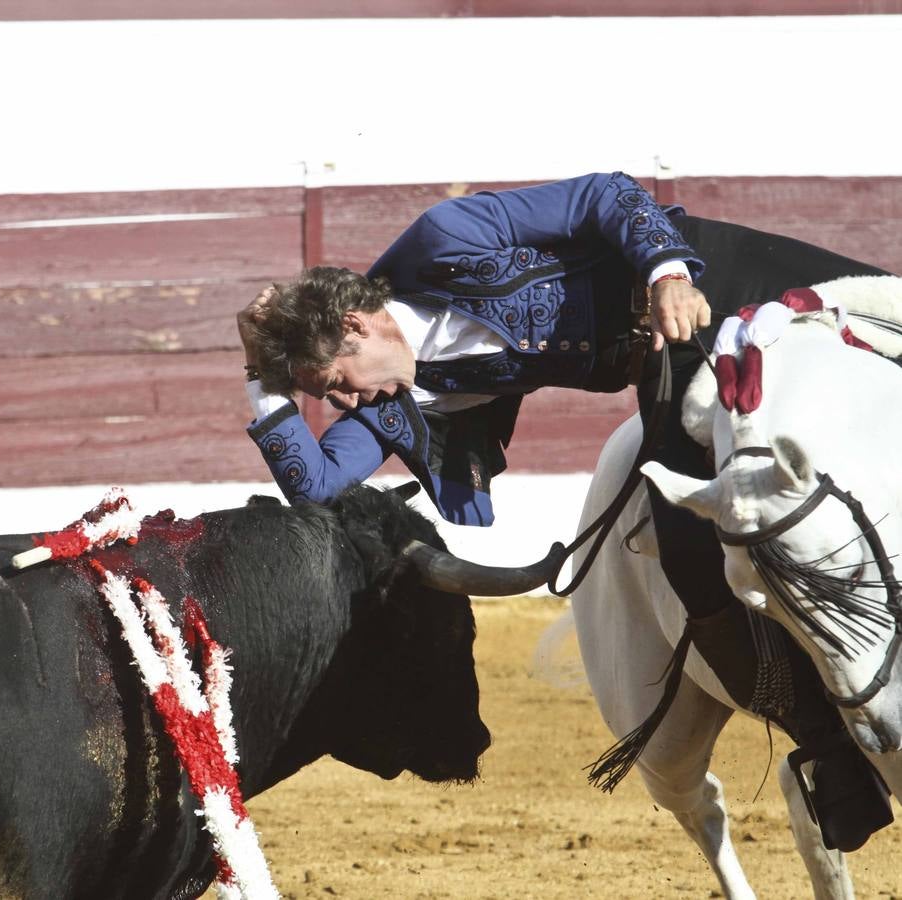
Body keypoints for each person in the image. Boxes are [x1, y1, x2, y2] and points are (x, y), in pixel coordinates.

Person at [238, 171, 894, 851]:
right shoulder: (391, 401)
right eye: (329, 398)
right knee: (693, 562)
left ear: (357, 325)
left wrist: (666, 270)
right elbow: (316, 489)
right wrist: (261, 372)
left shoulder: (443, 239)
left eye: (338, 384)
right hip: (668, 366)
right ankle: (830, 749)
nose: (345, 405)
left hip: (709, 279)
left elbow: (604, 195)